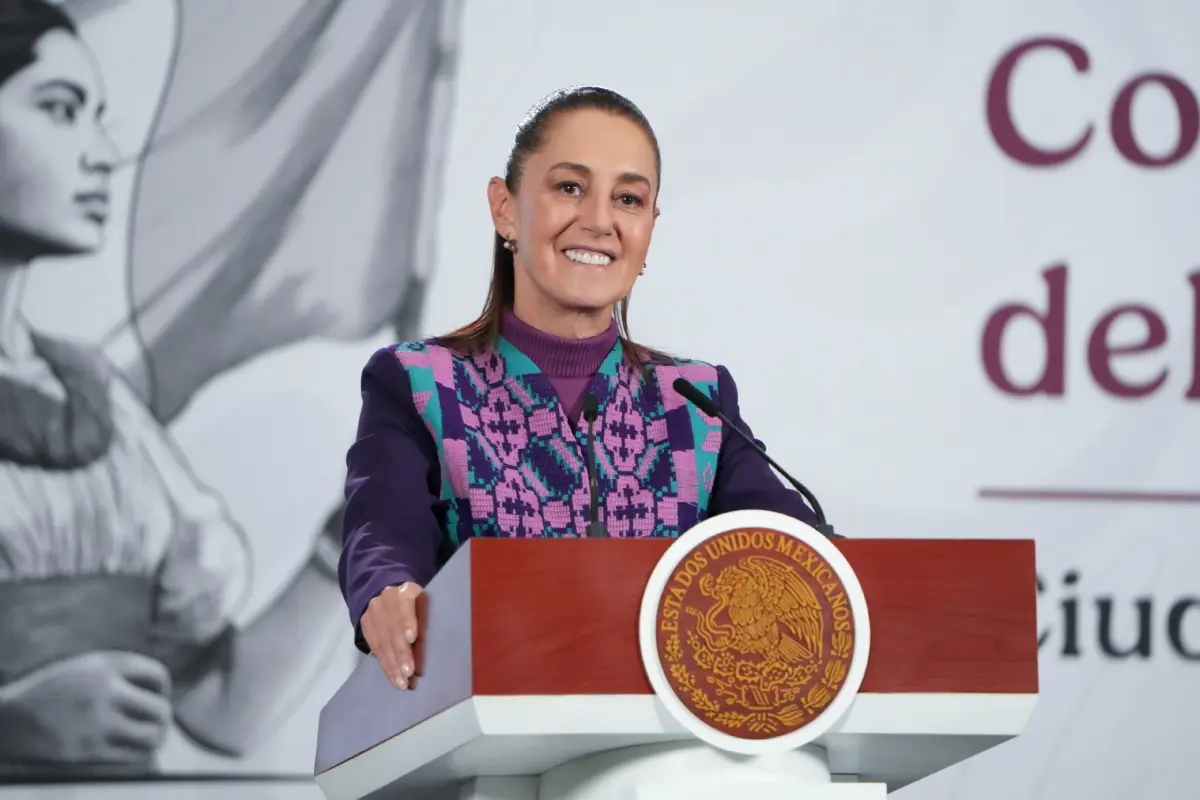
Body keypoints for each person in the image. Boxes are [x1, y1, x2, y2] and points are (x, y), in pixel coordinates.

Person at [339, 85, 826, 691]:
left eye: (628, 199)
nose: (599, 221)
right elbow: (382, 533)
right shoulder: (419, 384)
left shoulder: (695, 401)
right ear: (505, 208)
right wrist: (386, 589)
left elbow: (793, 552)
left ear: (648, 230)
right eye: (570, 187)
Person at [0, 0, 341, 776]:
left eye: (99, 119)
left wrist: (357, 531)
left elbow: (222, 710)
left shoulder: (96, 395)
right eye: (61, 110)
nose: (102, 154)